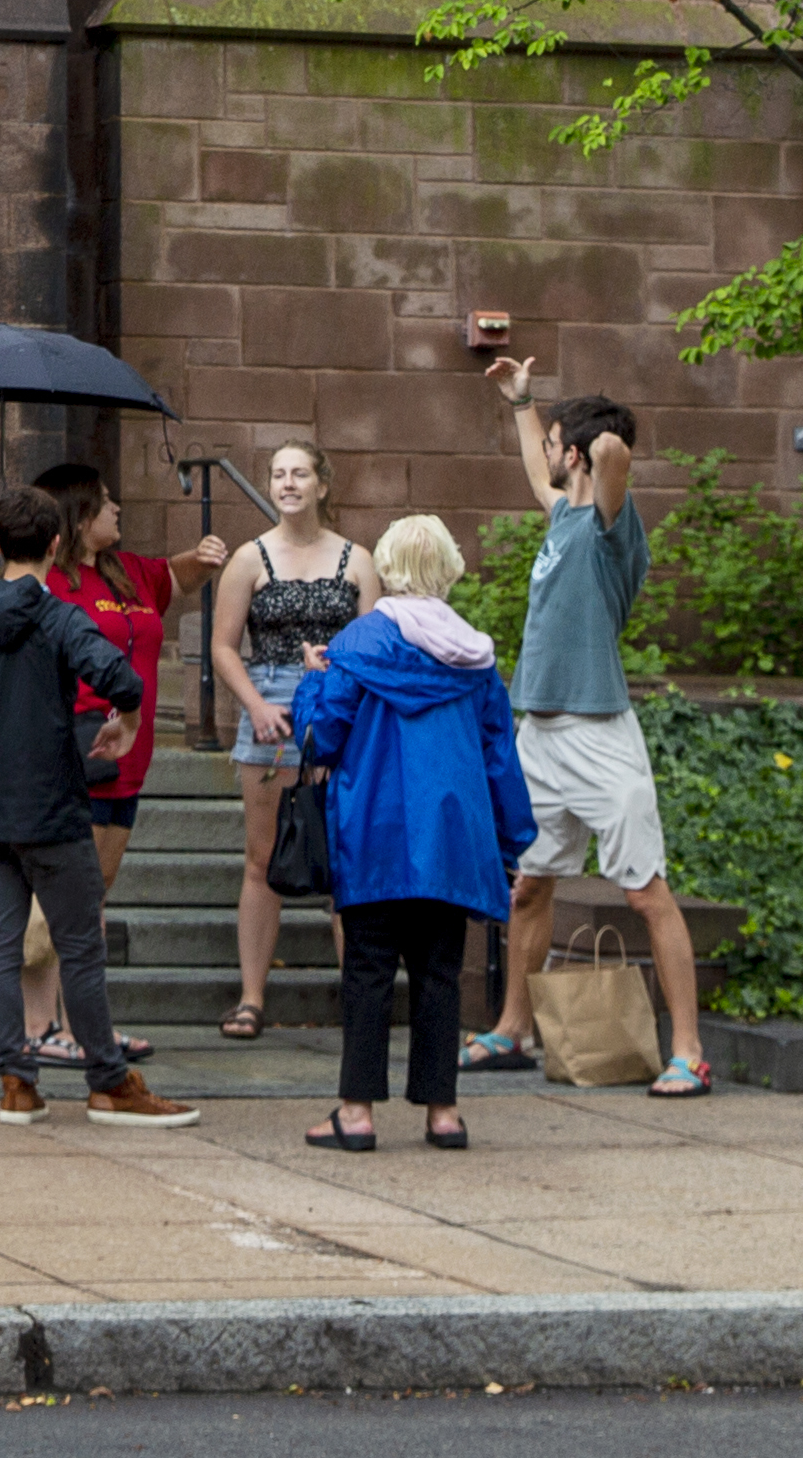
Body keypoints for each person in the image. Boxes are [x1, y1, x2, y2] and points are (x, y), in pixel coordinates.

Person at [460, 352, 711, 1099]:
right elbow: (545, 475)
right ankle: (513, 1028)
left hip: (601, 734)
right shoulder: (564, 514)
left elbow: (611, 460)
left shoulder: (608, 523)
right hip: (539, 734)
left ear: (574, 453)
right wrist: (524, 402)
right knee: (529, 887)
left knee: (646, 891)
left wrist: (605, 441)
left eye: (555, 442)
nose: (546, 454)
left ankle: (689, 1052)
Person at [0, 484, 196, 1127]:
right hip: (53, 803)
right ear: (54, 544)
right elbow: (122, 679)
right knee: (80, 946)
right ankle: (107, 1080)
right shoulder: (59, 618)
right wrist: (126, 724)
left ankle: (16, 1081)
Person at [290, 514, 537, 1153]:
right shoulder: (475, 658)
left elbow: (322, 738)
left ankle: (357, 1112)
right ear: (450, 570)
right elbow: (499, 757)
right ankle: (443, 1113)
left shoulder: (357, 643)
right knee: (440, 975)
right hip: (451, 841)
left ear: (389, 570)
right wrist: (512, 844)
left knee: (367, 973)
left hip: (372, 833)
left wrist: (314, 678)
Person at [15, 459, 221, 1071]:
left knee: (92, 895)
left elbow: (174, 578)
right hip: (73, 753)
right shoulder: (48, 581)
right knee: (63, 894)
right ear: (78, 516)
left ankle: (87, 1027)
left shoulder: (127, 572)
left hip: (129, 760)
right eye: (105, 502)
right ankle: (38, 1024)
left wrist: (204, 555)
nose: (117, 510)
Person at [204, 439, 382, 1041]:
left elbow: (372, 645)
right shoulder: (250, 560)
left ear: (321, 485)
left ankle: (358, 995)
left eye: (299, 473)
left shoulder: (358, 559)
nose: (287, 483)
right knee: (261, 860)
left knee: (346, 859)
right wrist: (253, 706)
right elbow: (223, 646)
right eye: (278, 474)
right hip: (270, 708)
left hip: (339, 707)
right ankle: (252, 997)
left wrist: (341, 693)